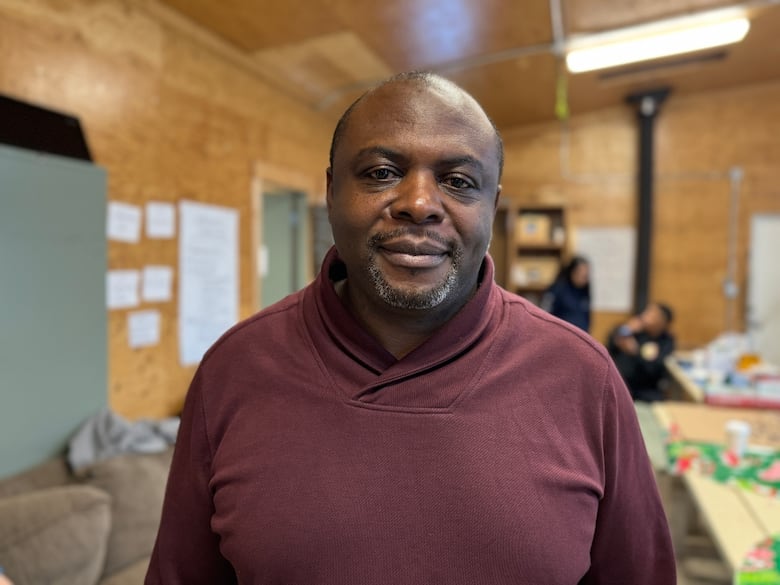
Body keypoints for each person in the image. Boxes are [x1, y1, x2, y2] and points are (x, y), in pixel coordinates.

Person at [146, 72, 675, 584]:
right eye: (380, 172)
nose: (419, 205)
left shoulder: (584, 378)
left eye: (459, 181)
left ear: (492, 207)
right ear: (332, 192)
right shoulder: (234, 370)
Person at [607, 302, 676, 402]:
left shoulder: (666, 341)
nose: (646, 316)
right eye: (648, 311)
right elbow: (611, 344)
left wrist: (636, 353)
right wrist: (628, 329)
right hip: (619, 383)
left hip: (645, 390)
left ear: (663, 322)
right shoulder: (636, 331)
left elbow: (654, 368)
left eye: (653, 314)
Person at [540, 255, 591, 332]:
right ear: (572, 271)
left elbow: (587, 317)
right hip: (559, 336)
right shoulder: (557, 289)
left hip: (580, 338)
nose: (584, 276)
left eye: (586, 274)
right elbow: (545, 313)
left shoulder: (585, 292)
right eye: (581, 272)